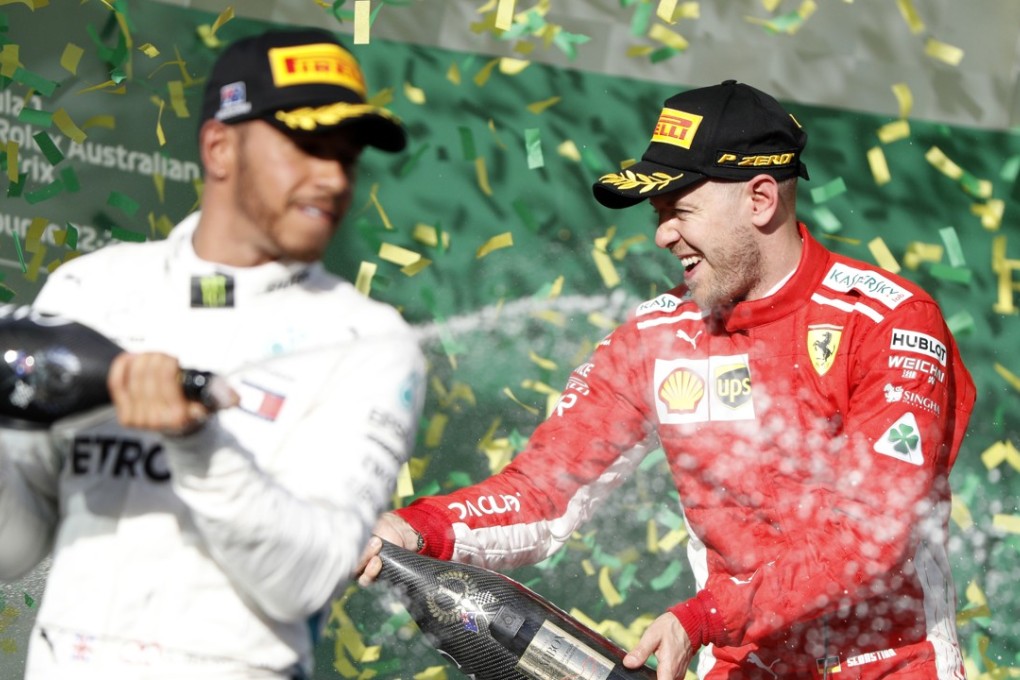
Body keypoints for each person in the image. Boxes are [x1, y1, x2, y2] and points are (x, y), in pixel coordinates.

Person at [359, 80, 975, 679]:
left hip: (894, 666)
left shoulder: (890, 320)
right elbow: (543, 494)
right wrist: (417, 528)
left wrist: (705, 616)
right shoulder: (656, 336)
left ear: (760, 199)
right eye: (659, 214)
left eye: (680, 210)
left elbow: (872, 532)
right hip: (740, 667)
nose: (662, 235)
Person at [0, 28, 425, 679]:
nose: (334, 177)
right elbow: (16, 547)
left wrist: (195, 442)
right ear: (219, 147)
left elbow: (306, 580)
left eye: (347, 156)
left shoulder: (372, 341)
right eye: (308, 145)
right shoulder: (91, 287)